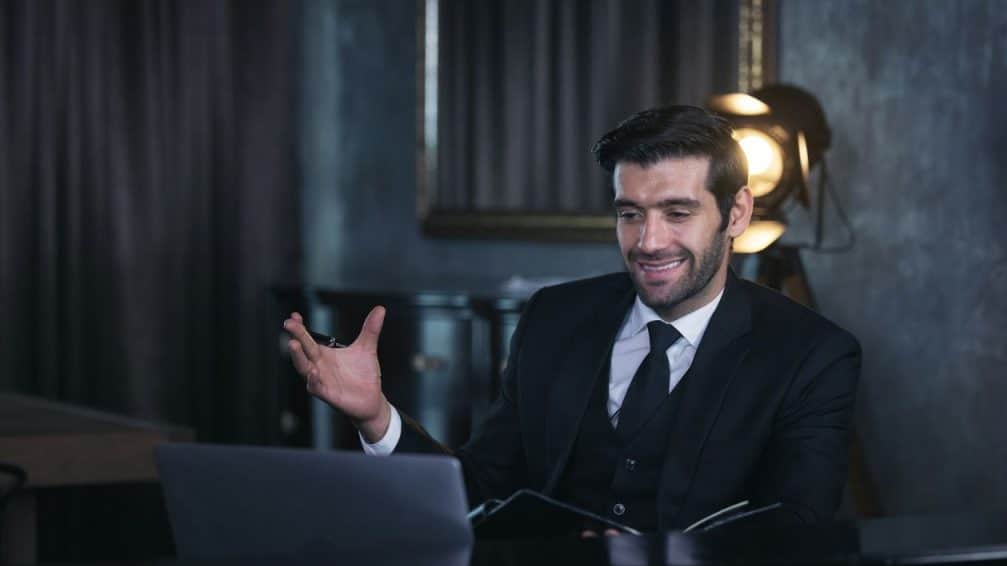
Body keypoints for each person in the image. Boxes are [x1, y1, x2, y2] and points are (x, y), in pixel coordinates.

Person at [282, 105, 861, 533]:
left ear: (736, 213)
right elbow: (480, 491)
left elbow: (797, 530)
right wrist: (376, 417)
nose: (649, 241)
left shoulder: (812, 355)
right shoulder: (554, 319)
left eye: (677, 213)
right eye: (630, 214)